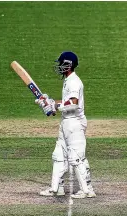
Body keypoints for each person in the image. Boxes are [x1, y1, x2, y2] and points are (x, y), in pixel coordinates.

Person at [36, 51, 96, 198]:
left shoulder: (74, 82)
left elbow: (73, 103)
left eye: (61, 63)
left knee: (76, 158)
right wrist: (49, 102)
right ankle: (56, 188)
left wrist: (55, 105)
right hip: (66, 122)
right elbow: (66, 102)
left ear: (67, 65)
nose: (59, 66)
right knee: (58, 156)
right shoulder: (68, 81)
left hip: (74, 123)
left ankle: (86, 190)